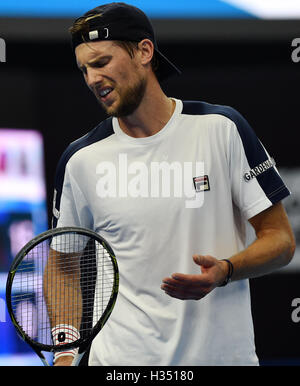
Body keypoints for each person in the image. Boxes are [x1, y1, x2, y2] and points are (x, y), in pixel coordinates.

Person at [51, 2, 295, 366]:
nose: (92, 80)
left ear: (145, 51)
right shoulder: (80, 160)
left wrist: (225, 271)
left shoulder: (222, 128)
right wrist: (65, 355)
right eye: (84, 70)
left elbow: (280, 241)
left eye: (101, 63)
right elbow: (62, 267)